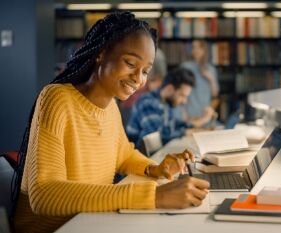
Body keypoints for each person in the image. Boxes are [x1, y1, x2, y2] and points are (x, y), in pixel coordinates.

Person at [12, 12, 209, 233]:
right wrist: (154, 196)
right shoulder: (56, 99)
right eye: (130, 63)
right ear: (101, 54)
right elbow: (44, 195)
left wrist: (155, 168)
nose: (138, 78)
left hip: (91, 222)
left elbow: (124, 155)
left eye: (145, 71)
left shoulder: (111, 108)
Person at [126, 67, 211, 149]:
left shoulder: (166, 103)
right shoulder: (148, 103)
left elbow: (172, 125)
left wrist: (194, 126)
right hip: (140, 157)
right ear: (170, 89)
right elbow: (157, 138)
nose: (184, 101)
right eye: (182, 95)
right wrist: (186, 132)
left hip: (155, 154)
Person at [177, 39, 219, 127]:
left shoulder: (211, 69)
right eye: (193, 47)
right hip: (191, 115)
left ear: (204, 50)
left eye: (198, 47)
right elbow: (179, 92)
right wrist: (183, 113)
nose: (195, 50)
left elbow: (215, 94)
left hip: (206, 116)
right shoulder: (185, 67)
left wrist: (211, 79)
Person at [119, 49, 167, 126]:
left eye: (145, 71)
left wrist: (146, 85)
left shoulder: (157, 56)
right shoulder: (129, 48)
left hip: (142, 102)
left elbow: (160, 80)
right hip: (127, 101)